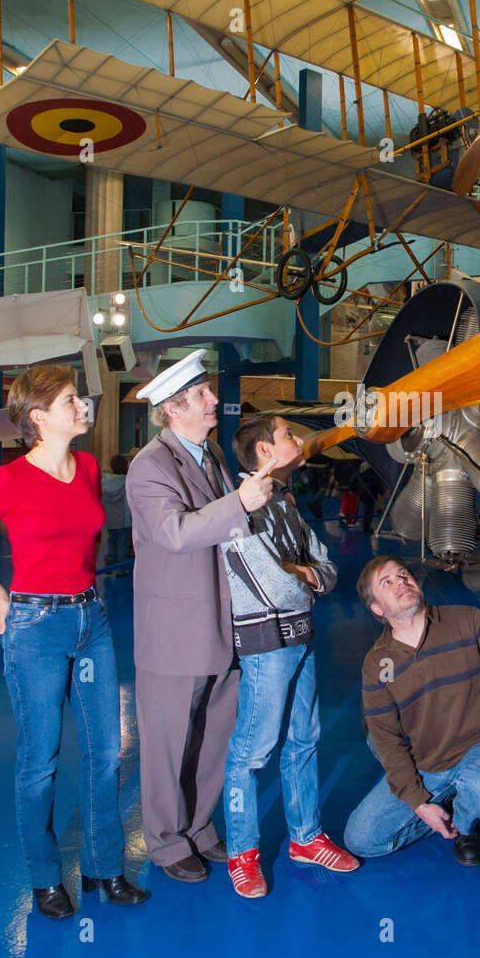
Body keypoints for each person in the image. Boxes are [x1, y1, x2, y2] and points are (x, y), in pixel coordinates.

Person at [0, 365, 147, 918]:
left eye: (81, 398)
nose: (83, 406)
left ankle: (104, 868)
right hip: (35, 629)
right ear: (38, 418)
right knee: (40, 760)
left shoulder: (87, 467)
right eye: (71, 400)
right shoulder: (10, 479)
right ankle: (44, 878)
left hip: (92, 621)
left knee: (106, 752)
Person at [126, 350, 275, 883]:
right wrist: (241, 501)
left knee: (215, 736)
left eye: (209, 391)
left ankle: (199, 827)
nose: (215, 400)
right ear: (172, 409)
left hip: (223, 626)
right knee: (168, 746)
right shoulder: (151, 466)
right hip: (175, 636)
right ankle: (166, 843)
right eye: (203, 395)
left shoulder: (207, 454)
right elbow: (176, 533)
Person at [222, 413, 359, 897]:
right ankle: (242, 852)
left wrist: (305, 574)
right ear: (263, 450)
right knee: (250, 751)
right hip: (265, 643)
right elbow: (268, 583)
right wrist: (303, 577)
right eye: (288, 436)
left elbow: (325, 566)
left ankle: (305, 837)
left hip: (302, 635)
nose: (299, 442)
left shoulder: (286, 501)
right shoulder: (240, 508)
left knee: (305, 738)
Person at [344, 557, 480, 866]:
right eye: (387, 582)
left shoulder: (467, 621)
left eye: (403, 575)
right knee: (360, 840)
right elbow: (386, 739)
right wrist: (419, 803)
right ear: (377, 609)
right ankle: (444, 810)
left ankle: (466, 825)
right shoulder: (378, 664)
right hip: (427, 762)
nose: (401, 581)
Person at [101, 454, 131, 574]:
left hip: (109, 518)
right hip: (124, 519)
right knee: (122, 544)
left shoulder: (104, 481)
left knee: (111, 540)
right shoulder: (127, 481)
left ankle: (109, 560)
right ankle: (120, 570)